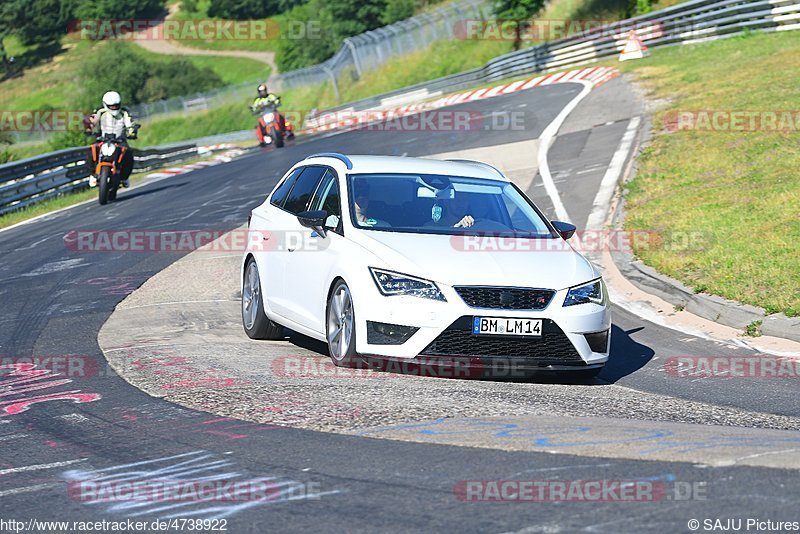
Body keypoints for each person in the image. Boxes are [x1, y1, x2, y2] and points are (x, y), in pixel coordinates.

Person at [84, 91, 139, 188]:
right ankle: (92, 175)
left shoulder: (124, 112)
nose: (114, 108)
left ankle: (124, 177)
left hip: (120, 140)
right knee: (91, 150)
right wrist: (89, 128)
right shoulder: (100, 112)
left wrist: (132, 131)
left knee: (129, 154)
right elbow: (93, 121)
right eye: (111, 106)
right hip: (103, 139)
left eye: (116, 105)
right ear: (106, 105)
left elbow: (130, 123)